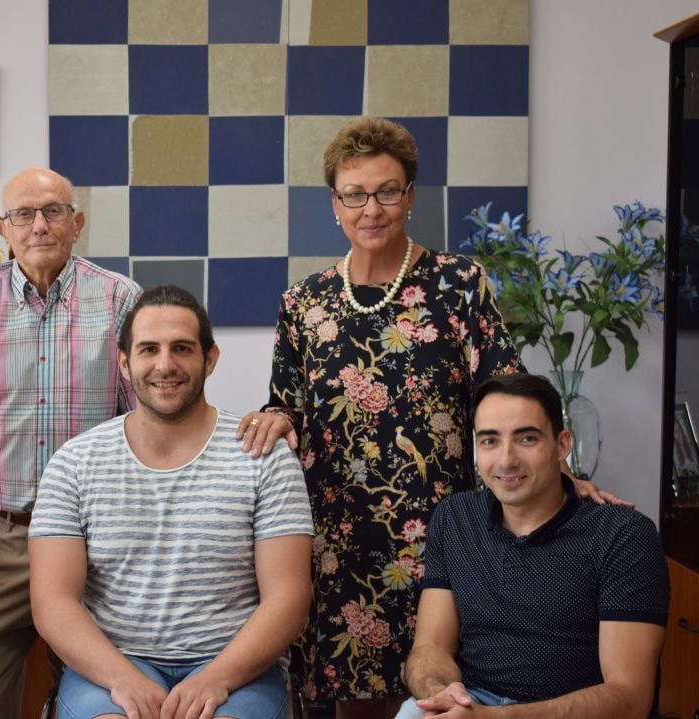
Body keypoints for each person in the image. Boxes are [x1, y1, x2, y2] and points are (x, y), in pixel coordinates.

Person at [236, 117, 623, 710]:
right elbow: (286, 401)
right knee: (345, 695)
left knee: (441, 685)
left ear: (411, 197)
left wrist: (559, 472)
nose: (372, 208)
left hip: (441, 527)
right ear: (334, 203)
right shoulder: (303, 302)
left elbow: (507, 394)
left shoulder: (459, 285)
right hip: (337, 532)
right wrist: (275, 419)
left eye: (388, 191)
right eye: (355, 194)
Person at [0, 167, 142, 718]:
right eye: (24, 214)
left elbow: (147, 423)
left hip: (100, 536)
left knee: (110, 694)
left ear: (76, 222)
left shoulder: (120, 300)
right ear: (3, 229)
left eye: (54, 211)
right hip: (3, 535)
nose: (39, 225)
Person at [29, 285, 314, 719]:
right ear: (124, 362)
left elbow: (289, 597)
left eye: (182, 348)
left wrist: (216, 679)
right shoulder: (74, 462)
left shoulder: (263, 457)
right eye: (149, 350)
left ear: (210, 359)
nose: (165, 365)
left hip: (236, 666)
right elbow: (53, 602)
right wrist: (122, 679)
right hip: (114, 664)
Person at [397, 373, 668, 718]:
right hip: (471, 703)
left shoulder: (623, 535)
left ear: (562, 445)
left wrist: (493, 718)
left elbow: (630, 698)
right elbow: (430, 647)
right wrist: (442, 695)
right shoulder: (455, 517)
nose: (506, 460)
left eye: (526, 438)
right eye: (490, 441)